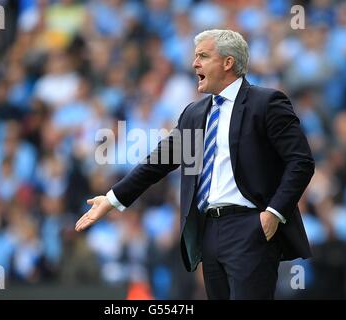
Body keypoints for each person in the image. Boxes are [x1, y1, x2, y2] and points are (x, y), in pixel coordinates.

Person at [75, 29, 315, 300]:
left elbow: (301, 162)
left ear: (228, 63)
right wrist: (112, 199)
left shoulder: (267, 103)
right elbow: (158, 162)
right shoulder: (194, 113)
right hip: (208, 232)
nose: (194, 63)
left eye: (203, 56)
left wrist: (273, 213)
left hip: (251, 227)